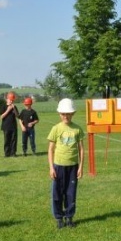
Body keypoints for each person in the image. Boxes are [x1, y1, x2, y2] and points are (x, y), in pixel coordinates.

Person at [47, 98, 85, 229]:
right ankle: (59, 218)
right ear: (59, 114)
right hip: (58, 166)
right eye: (63, 114)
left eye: (68, 113)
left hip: (73, 167)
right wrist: (51, 167)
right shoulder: (56, 129)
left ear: (72, 114)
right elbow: (51, 150)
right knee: (57, 194)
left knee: (70, 193)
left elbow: (81, 149)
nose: (66, 116)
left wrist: (80, 166)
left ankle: (69, 217)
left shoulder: (77, 129)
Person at [0, 91, 20, 157]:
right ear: (7, 99)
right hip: (6, 126)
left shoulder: (14, 107)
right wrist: (8, 110)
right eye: (10, 100)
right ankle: (7, 153)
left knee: (14, 140)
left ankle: (13, 153)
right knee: (7, 140)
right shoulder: (3, 107)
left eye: (12, 100)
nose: (11, 101)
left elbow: (18, 116)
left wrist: (13, 108)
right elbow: (2, 116)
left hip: (13, 126)